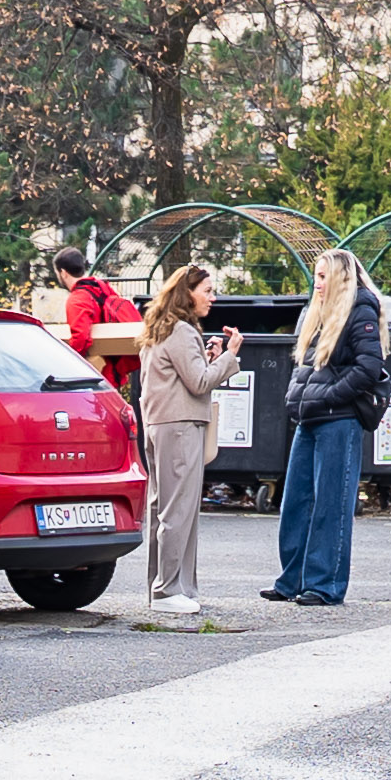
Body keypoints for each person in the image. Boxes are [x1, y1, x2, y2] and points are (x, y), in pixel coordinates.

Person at [267, 249, 385, 606]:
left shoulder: (360, 308)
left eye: (323, 277)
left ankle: (324, 585)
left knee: (331, 505)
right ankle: (293, 580)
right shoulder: (315, 311)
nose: (317, 284)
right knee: (295, 503)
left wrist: (333, 397)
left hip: (339, 419)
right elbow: (304, 365)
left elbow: (369, 366)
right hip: (311, 417)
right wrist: (296, 398)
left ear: (340, 278)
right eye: (315, 276)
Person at [131, 258, 235, 615]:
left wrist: (209, 359)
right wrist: (230, 357)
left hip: (159, 425)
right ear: (187, 294)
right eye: (207, 291)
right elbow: (200, 382)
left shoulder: (161, 329)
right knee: (180, 509)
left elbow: (178, 376)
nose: (213, 298)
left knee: (164, 508)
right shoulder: (182, 330)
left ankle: (164, 587)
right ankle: (169, 589)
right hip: (180, 425)